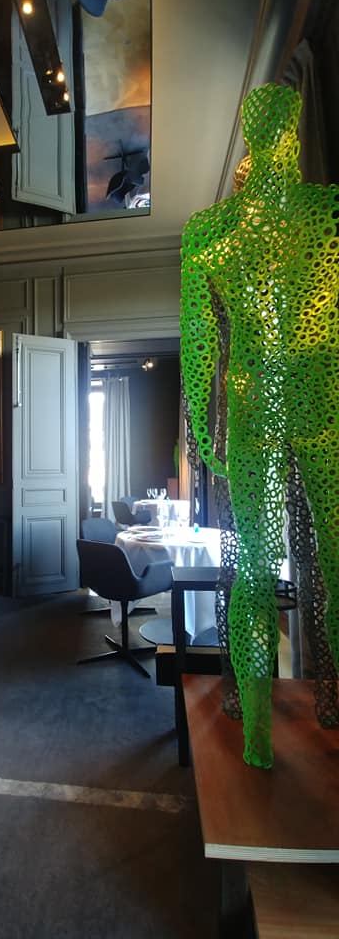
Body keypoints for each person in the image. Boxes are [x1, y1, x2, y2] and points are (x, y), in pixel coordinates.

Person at [180, 82, 339, 769]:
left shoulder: (218, 232)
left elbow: (199, 344)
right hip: (290, 403)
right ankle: (257, 734)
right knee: (273, 565)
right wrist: (201, 432)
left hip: (280, 405)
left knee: (270, 565)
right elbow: (198, 342)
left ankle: (257, 734)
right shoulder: (319, 215)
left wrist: (201, 432)